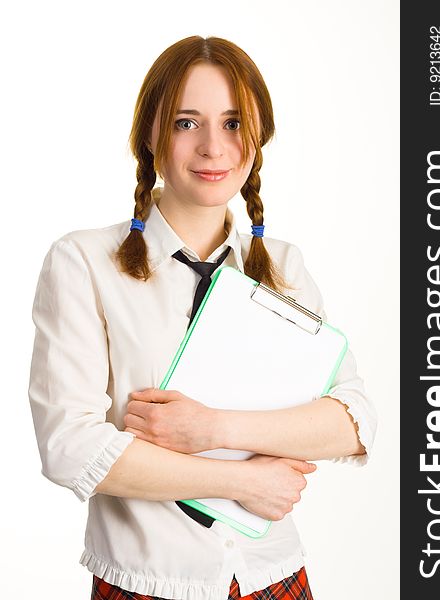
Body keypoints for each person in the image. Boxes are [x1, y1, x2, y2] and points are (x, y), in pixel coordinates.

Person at [28, 35, 377, 600]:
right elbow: (69, 445)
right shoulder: (83, 262)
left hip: (274, 576)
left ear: (258, 135)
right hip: (146, 584)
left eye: (235, 122)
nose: (215, 147)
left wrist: (212, 429)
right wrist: (242, 480)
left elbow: (353, 420)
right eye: (187, 122)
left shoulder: (284, 266)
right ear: (150, 134)